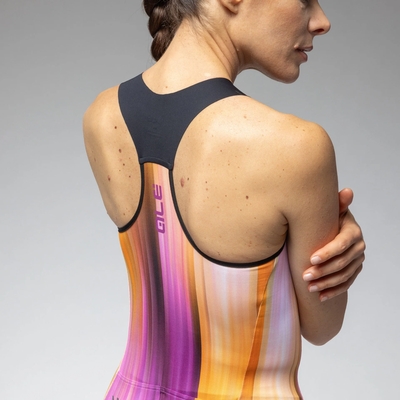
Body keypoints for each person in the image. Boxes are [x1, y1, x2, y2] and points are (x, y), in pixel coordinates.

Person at [83, 0, 365, 398]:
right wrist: (341, 243)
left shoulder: (101, 116)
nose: (322, 22)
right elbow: (323, 326)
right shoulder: (295, 148)